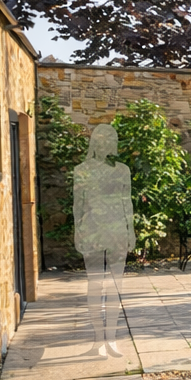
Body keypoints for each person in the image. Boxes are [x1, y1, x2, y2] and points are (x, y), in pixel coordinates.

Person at [74, 124, 134, 357]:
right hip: (92, 232)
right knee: (95, 284)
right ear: (94, 144)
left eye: (109, 141)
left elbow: (126, 202)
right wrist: (78, 232)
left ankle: (112, 337)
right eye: (100, 141)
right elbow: (78, 205)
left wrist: (131, 231)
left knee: (116, 287)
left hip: (117, 232)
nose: (104, 146)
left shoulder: (122, 170)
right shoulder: (82, 170)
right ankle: (98, 339)